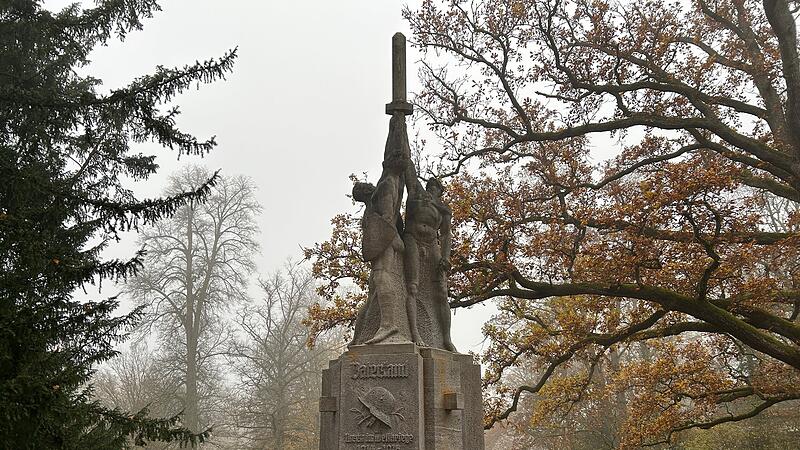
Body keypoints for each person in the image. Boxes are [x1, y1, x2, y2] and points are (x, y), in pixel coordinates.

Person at [403, 162, 456, 351]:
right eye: (431, 186)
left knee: (442, 291)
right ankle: (415, 333)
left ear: (440, 192)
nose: (432, 189)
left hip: (432, 243)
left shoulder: (442, 209)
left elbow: (446, 234)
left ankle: (446, 339)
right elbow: (409, 168)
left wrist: (446, 257)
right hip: (412, 239)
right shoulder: (417, 194)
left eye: (436, 188)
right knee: (412, 285)